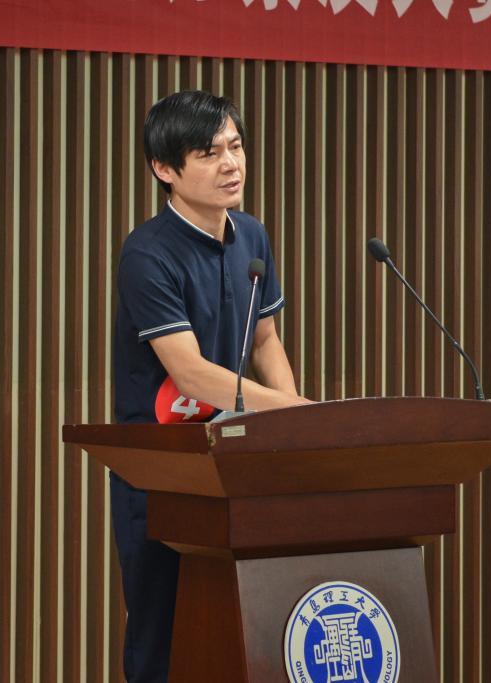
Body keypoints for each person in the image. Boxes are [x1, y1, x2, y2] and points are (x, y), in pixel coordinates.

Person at [111, 90, 311, 681]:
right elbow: (190, 373)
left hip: (235, 461)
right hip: (164, 471)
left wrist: (291, 420)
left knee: (239, 630)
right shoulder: (147, 253)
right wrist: (293, 412)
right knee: (163, 638)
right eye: (209, 153)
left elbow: (265, 340)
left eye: (236, 147)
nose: (231, 164)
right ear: (165, 169)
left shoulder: (251, 235)